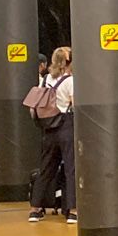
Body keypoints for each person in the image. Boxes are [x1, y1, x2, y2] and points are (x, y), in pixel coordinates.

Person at [29, 47, 77, 225]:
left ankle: (35, 209)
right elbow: (75, 103)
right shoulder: (70, 80)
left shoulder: (46, 79)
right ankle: (72, 211)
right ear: (69, 62)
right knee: (71, 169)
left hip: (48, 129)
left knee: (46, 169)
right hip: (65, 127)